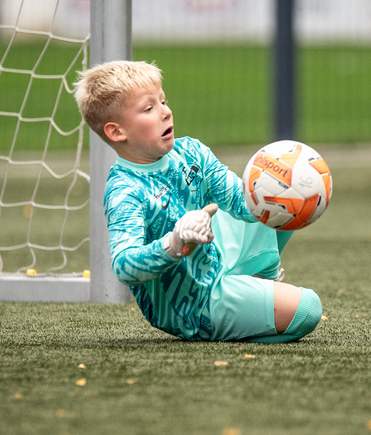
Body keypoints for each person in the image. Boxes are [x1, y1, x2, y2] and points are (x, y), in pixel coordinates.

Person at [74, 60, 322, 342]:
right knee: (308, 309)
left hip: (216, 256)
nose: (166, 112)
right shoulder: (124, 190)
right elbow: (124, 265)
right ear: (117, 132)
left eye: (163, 101)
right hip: (194, 305)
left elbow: (241, 202)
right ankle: (242, 307)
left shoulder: (191, 152)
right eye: (149, 108)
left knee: (279, 199)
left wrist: (280, 182)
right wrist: (174, 243)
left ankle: (257, 283)